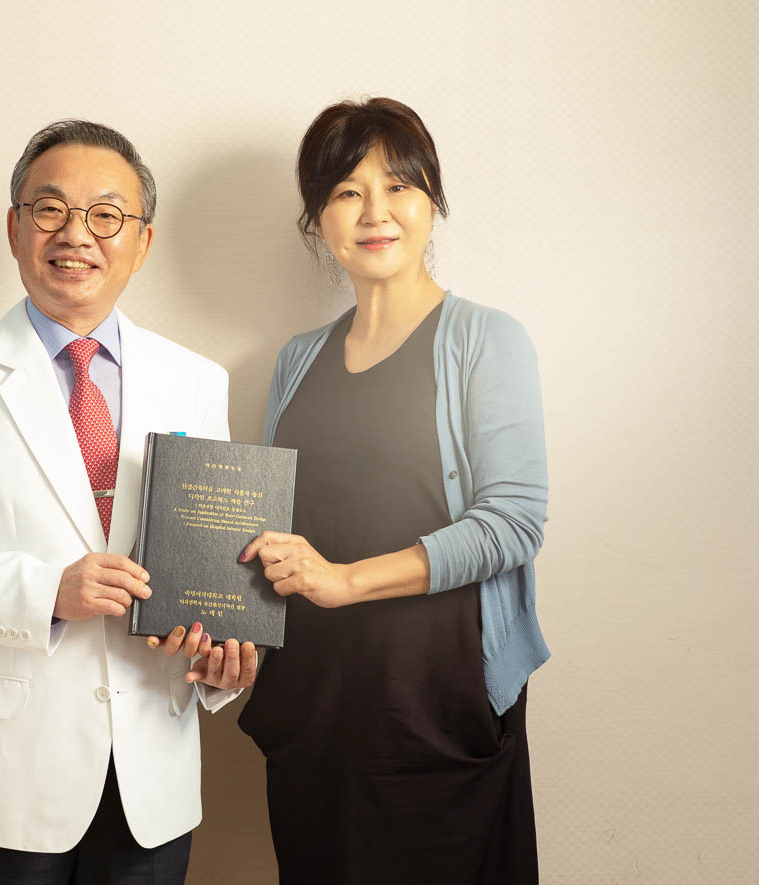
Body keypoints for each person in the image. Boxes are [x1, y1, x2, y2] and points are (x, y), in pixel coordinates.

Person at [0, 120, 256, 885]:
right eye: (50, 209)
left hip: (151, 768)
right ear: (15, 228)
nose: (76, 234)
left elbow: (210, 555)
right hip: (5, 771)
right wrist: (48, 591)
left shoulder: (198, 381)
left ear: (142, 242)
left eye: (106, 215)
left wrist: (221, 654)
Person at [236, 98, 550, 884]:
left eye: (398, 186)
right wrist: (219, 623)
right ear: (318, 219)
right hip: (313, 702)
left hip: (438, 702)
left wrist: (346, 581)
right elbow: (273, 524)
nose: (375, 211)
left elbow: (514, 522)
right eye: (347, 191)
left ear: (431, 201)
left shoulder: (487, 339)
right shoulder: (297, 358)